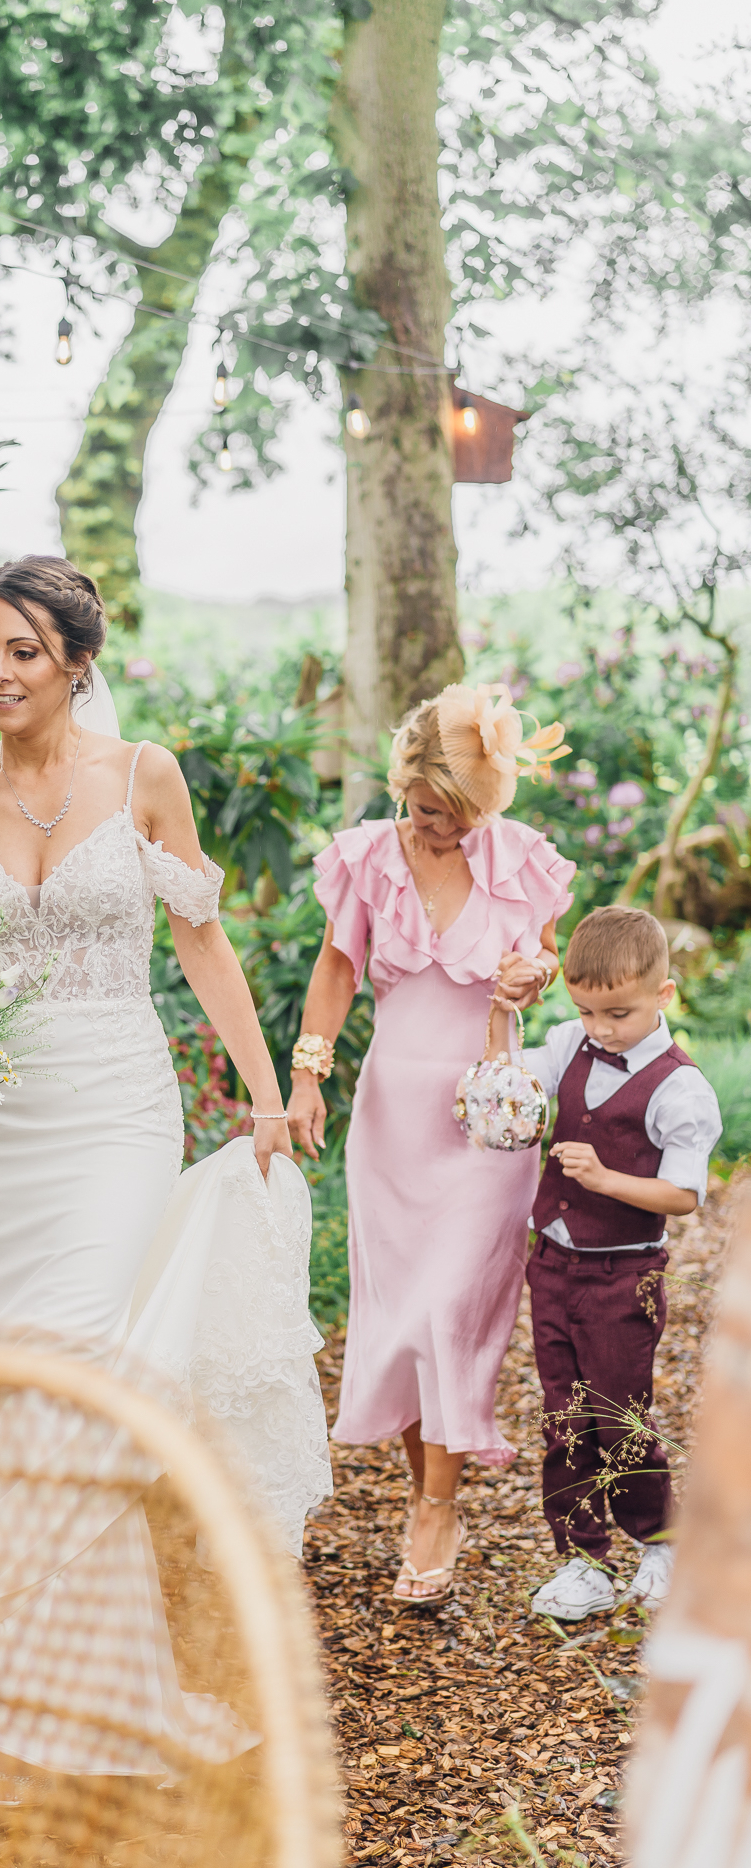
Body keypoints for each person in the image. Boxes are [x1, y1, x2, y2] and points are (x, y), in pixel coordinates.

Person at [0, 554, 331, 1800]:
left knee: (81, 1369)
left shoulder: (144, 776)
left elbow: (202, 939)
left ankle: (57, 1712)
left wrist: (264, 1090)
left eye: (22, 651)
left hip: (115, 1110)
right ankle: (53, 1702)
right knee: (12, 1386)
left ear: (77, 661)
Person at [286, 683, 575, 1604]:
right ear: (401, 784)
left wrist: (532, 974)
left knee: (450, 1304)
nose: (440, 829)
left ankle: (437, 1509)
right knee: (407, 1315)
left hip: (488, 1119)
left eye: (458, 815)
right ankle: (426, 1489)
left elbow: (547, 953)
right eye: (424, 810)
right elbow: (336, 968)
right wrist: (306, 1076)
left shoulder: (520, 858)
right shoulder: (367, 857)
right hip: (392, 1121)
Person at [486, 906, 721, 1620]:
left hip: (625, 1276)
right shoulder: (568, 1043)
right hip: (553, 1265)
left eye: (617, 1014)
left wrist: (605, 1179)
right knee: (564, 1417)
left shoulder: (681, 1089)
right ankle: (582, 1560)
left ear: (664, 994)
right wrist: (501, 1012)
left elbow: (682, 1196)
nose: (601, 1029)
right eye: (587, 1011)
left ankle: (659, 1542)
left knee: (619, 1418)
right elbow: (508, 1087)